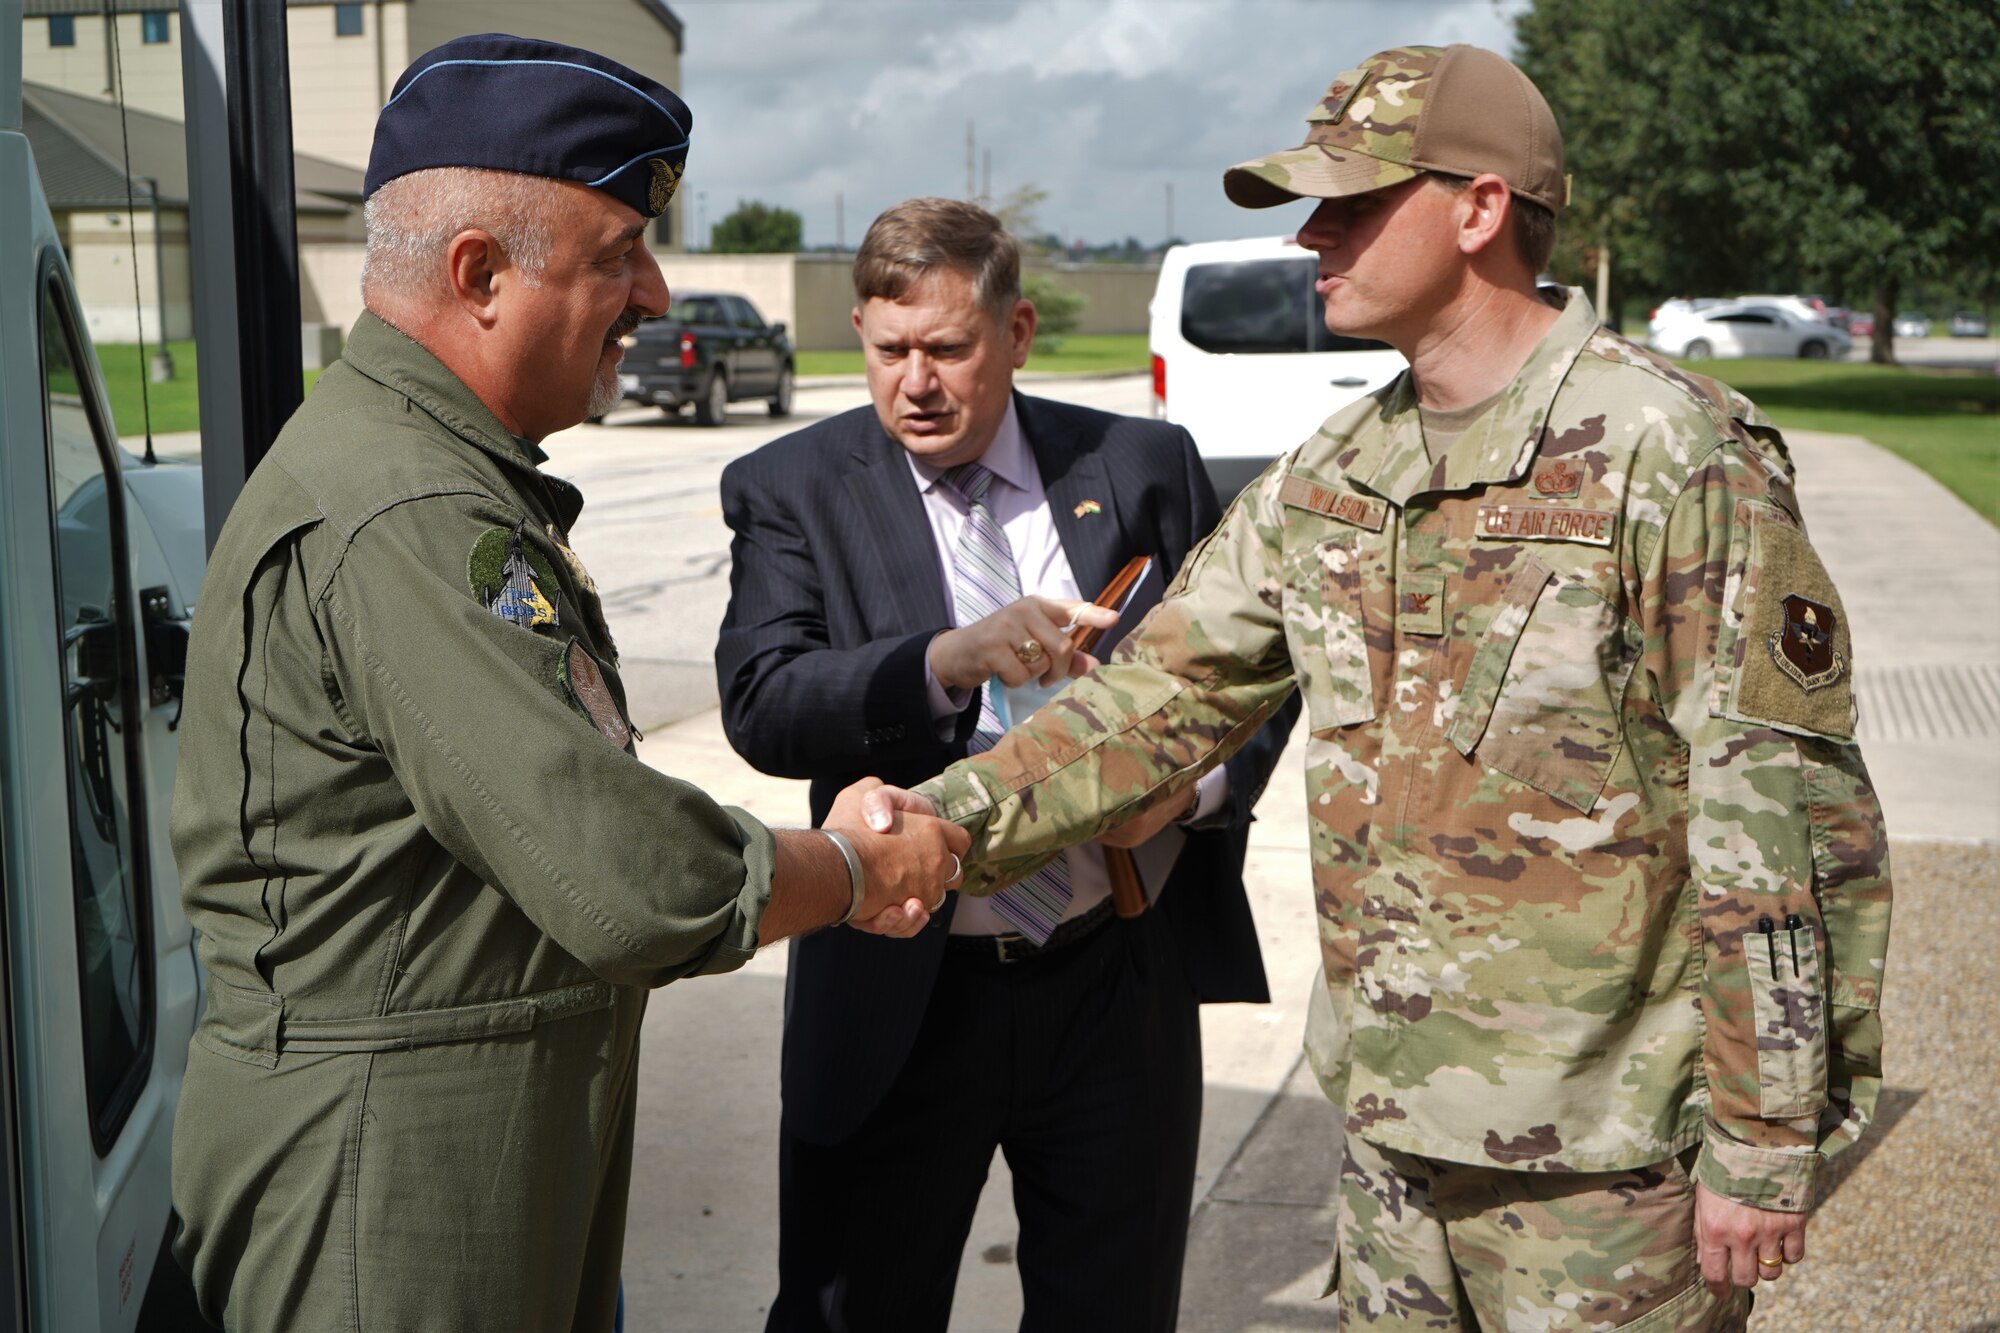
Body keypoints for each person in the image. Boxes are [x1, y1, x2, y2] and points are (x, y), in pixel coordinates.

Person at [903, 44, 1892, 1331]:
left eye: (1354, 202)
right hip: (1387, 1142)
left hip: (1605, 1170)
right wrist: (932, 825)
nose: (1314, 233)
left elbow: (1778, 819)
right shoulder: (1335, 471)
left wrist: (1763, 1143)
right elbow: (1156, 699)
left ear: (1479, 208)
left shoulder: (1671, 452)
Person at [168, 35, 965, 1332]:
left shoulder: (433, 472)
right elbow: (632, 879)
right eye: (617, 256)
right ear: (478, 274)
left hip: (462, 1149)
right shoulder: (410, 509)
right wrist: (857, 867)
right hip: (392, 1187)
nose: (654, 296)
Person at [716, 197, 1299, 1331]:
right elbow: (764, 702)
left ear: (1017, 333)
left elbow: (1255, 669)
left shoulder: (1136, 462)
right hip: (899, 993)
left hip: (1110, 982)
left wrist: (1192, 788)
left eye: (947, 348)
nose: (915, 382)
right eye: (889, 351)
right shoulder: (792, 487)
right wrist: (940, 660)